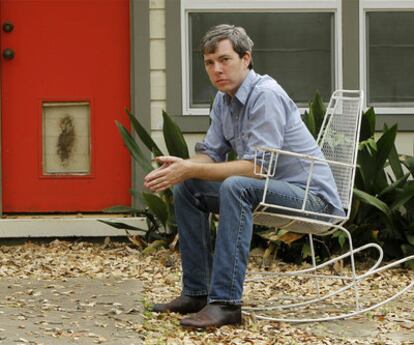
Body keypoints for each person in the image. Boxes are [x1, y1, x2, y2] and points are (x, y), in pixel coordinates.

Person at [144, 24, 344, 329]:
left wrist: (192, 168)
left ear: (246, 58)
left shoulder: (266, 95)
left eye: (225, 60)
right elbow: (210, 154)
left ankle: (226, 303)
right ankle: (197, 293)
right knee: (187, 186)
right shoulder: (225, 100)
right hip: (275, 193)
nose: (217, 69)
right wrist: (181, 167)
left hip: (314, 202)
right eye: (210, 63)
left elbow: (258, 169)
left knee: (237, 186)